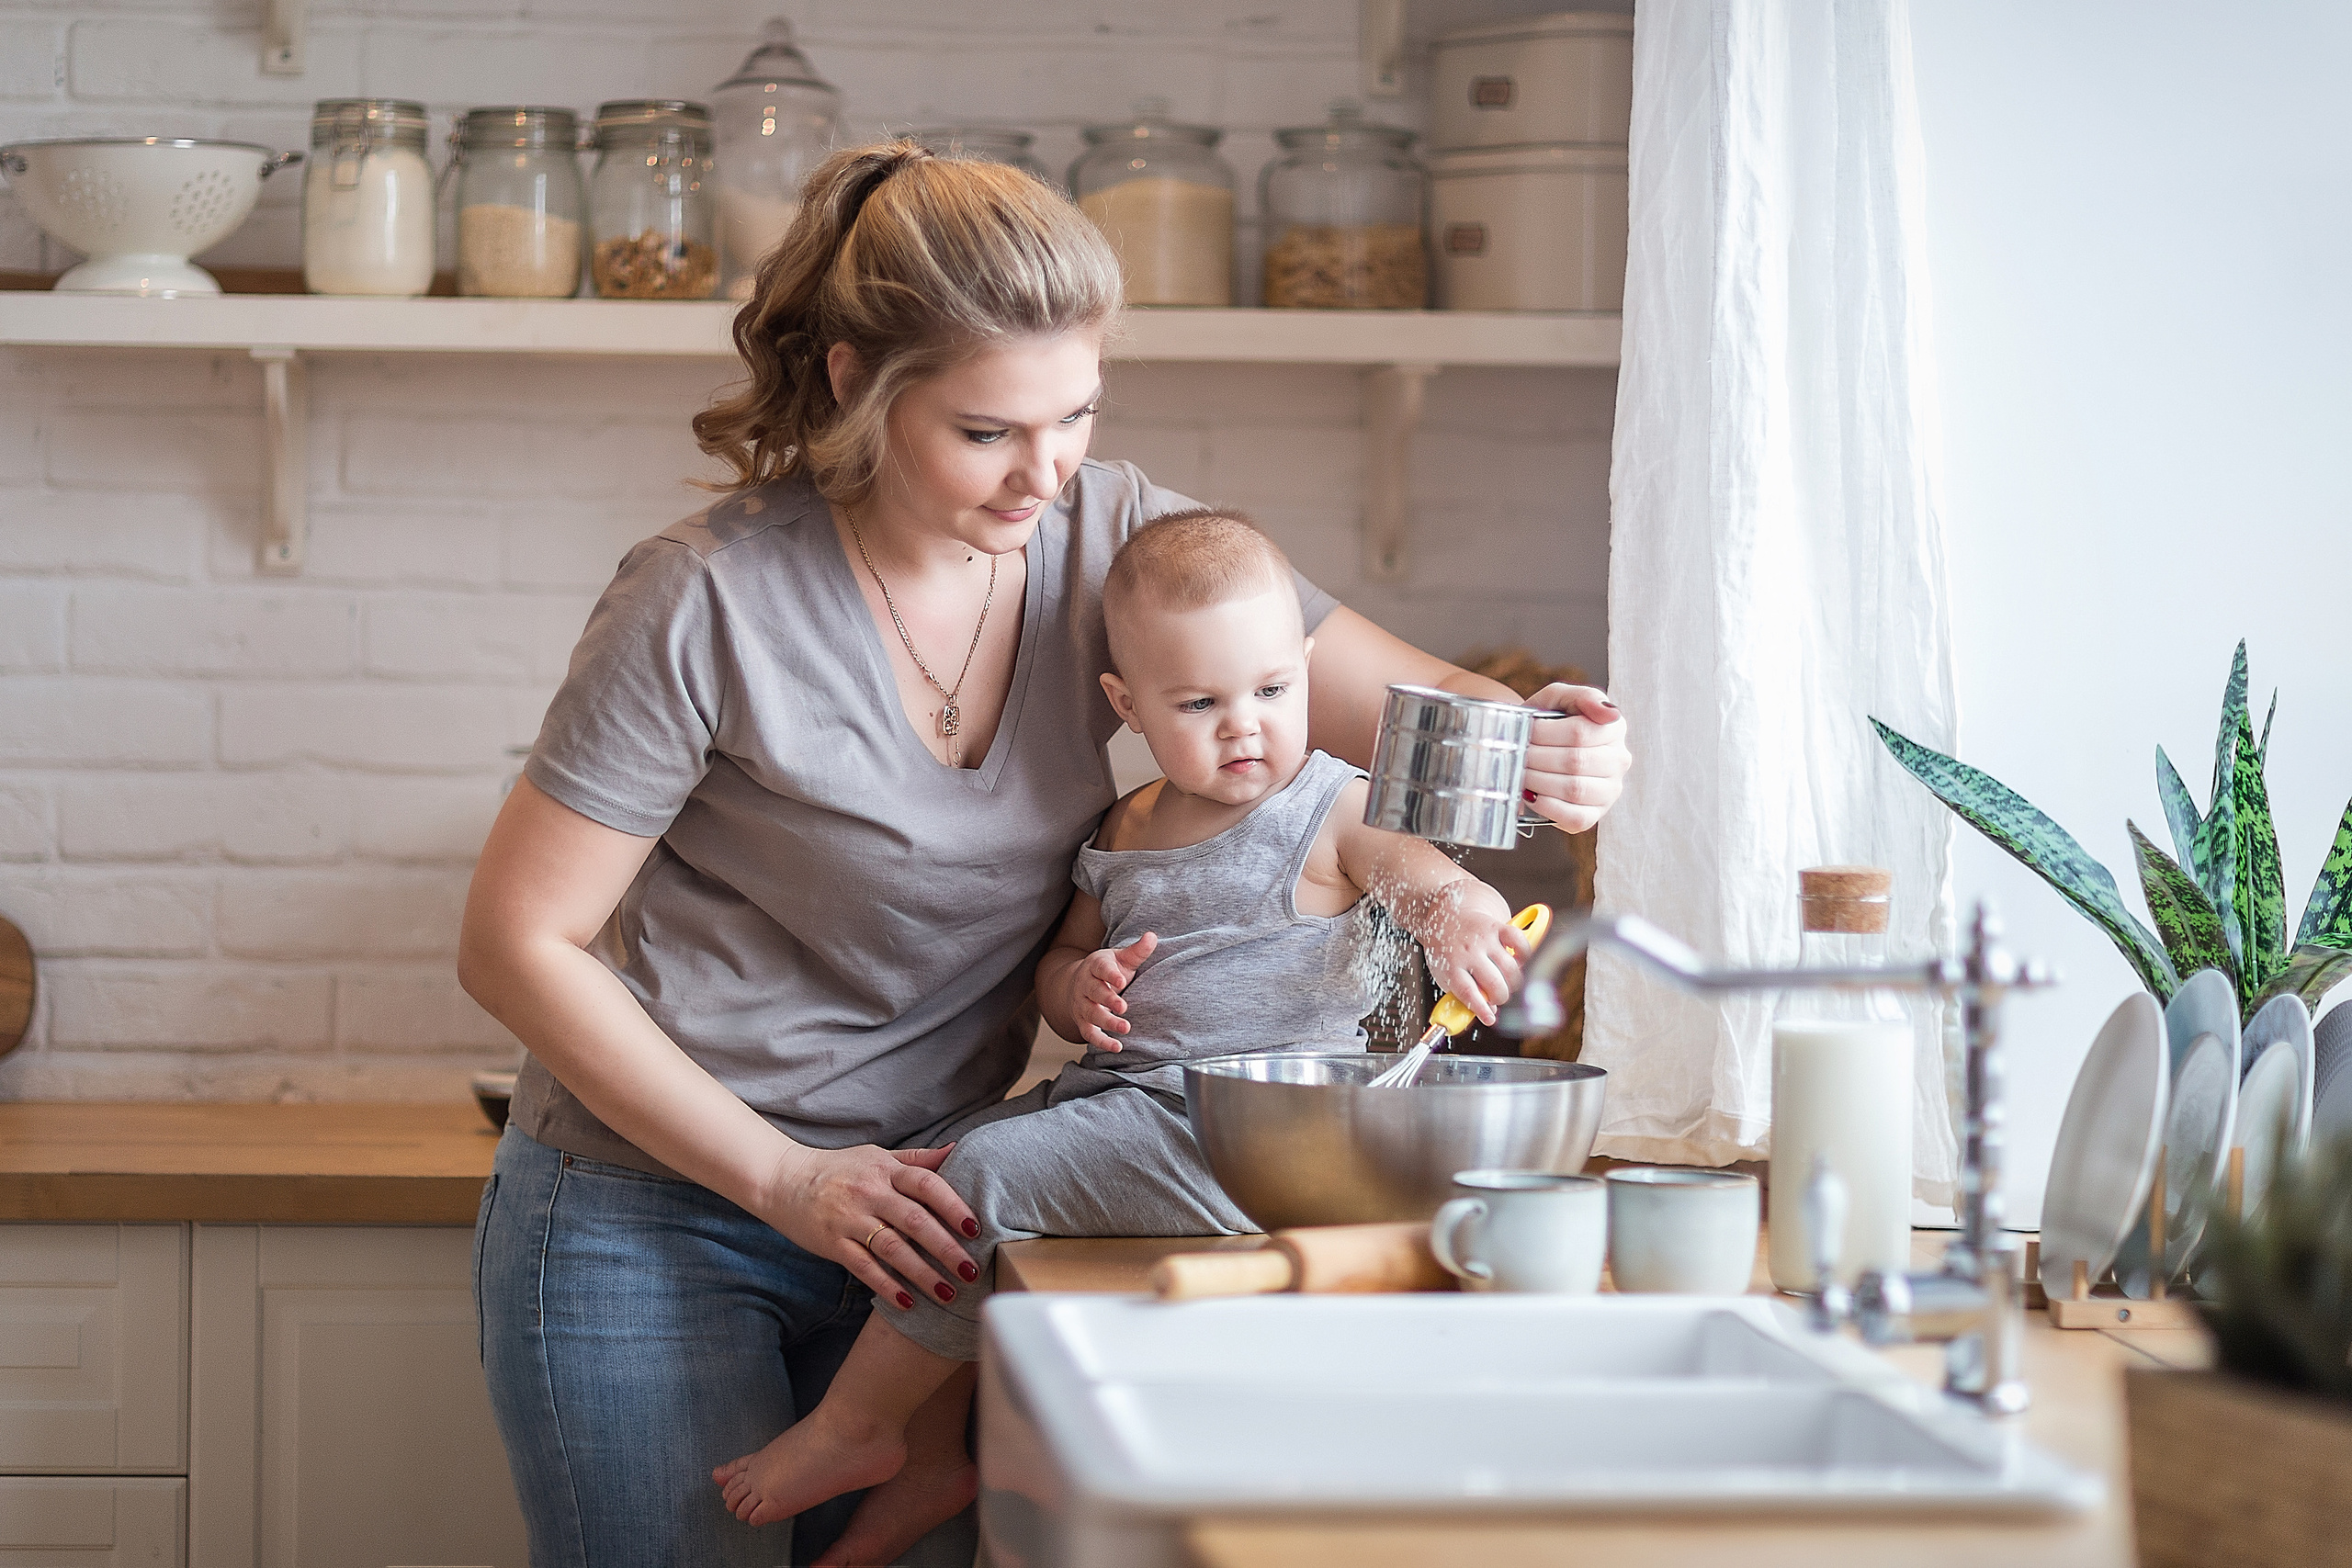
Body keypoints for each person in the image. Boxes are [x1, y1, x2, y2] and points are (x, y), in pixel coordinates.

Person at [458, 139, 1633, 1568]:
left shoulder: (1113, 536)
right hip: (660, 1212)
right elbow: (516, 943)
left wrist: (1547, 747)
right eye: (988, 432)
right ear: (852, 381)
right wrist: (789, 1183)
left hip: (945, 1206)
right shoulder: (702, 599)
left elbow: (1426, 721)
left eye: (1074, 414)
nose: (1044, 475)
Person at [712, 509, 1532, 1551]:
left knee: (987, 1177)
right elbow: (1056, 968)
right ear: (1126, 704)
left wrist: (1458, 915)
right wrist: (1078, 988)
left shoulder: (1333, 803)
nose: (1245, 726)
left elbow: (1422, 878)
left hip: (1262, 1140)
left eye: (1272, 691)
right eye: (1200, 702)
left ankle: (854, 1424)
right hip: (1132, 1104)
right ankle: (929, 1461)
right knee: (940, 1164)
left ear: (1308, 674)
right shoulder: (1124, 829)